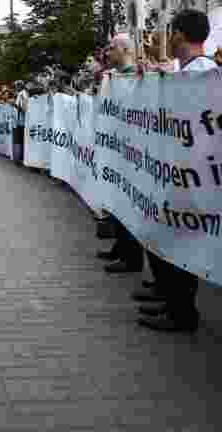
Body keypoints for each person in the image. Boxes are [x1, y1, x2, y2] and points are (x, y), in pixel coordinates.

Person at [134, 9, 215, 334]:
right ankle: (171, 300)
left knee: (181, 242)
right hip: (173, 171)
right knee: (166, 238)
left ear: (179, 34)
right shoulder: (185, 72)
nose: (167, 37)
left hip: (191, 174)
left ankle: (182, 312)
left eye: (170, 31)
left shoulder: (205, 72)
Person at [98, 33, 147, 276]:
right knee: (116, 201)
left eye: (111, 48)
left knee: (128, 204)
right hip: (117, 149)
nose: (107, 53)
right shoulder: (114, 78)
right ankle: (121, 248)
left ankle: (131, 257)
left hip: (132, 152)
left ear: (125, 49)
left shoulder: (137, 77)